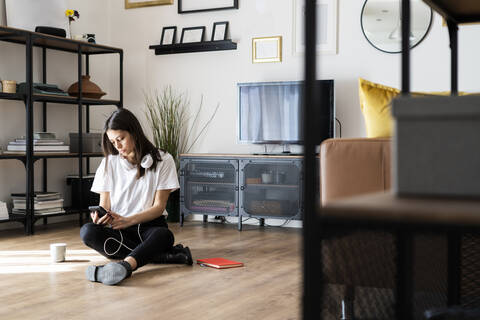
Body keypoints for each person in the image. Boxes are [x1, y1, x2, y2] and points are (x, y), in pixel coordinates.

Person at [80, 108, 192, 286]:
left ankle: (126, 265)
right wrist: (101, 216)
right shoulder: (109, 162)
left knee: (164, 235)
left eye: (121, 139)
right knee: (87, 231)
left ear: (134, 132)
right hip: (119, 228)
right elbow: (105, 204)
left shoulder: (164, 160)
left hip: (149, 227)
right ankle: (162, 256)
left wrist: (129, 220)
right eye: (112, 141)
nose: (117, 146)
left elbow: (159, 208)